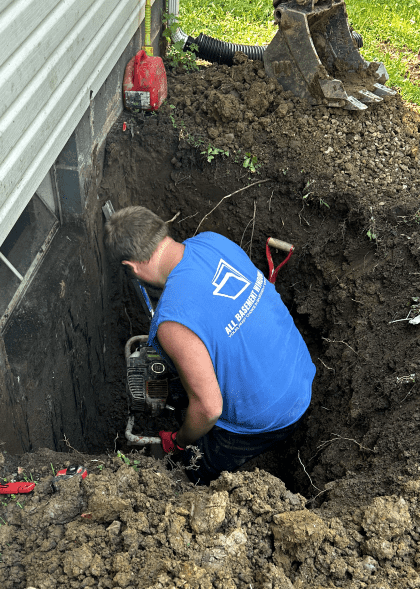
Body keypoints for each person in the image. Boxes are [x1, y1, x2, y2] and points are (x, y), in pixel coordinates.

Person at [105, 205, 315, 484]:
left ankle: (194, 477)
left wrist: (178, 441)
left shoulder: (172, 324)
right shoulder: (213, 241)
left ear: (130, 267)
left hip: (271, 416)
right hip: (298, 370)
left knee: (191, 469)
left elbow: (210, 408)